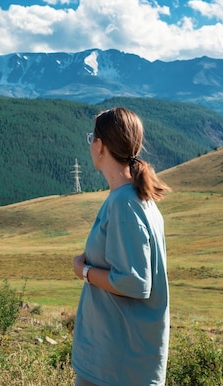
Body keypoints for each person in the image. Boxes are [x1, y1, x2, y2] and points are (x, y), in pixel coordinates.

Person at [72, 107, 170, 386]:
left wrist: (85, 270)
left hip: (116, 365)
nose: (91, 143)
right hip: (119, 360)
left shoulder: (124, 203)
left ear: (100, 146)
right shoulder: (135, 198)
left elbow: (134, 282)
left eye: (92, 137)